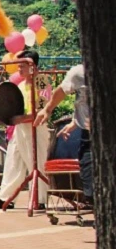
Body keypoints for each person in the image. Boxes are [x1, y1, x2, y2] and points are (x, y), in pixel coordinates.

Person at [0, 49, 49, 210]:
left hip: (36, 128)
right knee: (13, 162)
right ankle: (5, 197)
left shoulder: (42, 82)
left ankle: (40, 198)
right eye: (19, 65)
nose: (19, 69)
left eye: (22, 65)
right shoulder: (20, 85)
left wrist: (23, 118)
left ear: (32, 66)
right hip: (20, 129)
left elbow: (43, 109)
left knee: (37, 162)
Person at [36, 63, 91, 205]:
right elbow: (64, 92)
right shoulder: (80, 72)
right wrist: (48, 110)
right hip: (90, 134)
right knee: (90, 186)